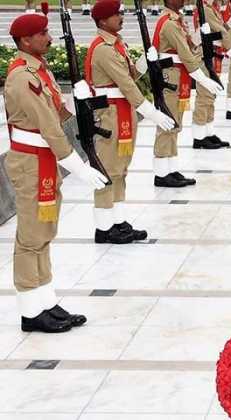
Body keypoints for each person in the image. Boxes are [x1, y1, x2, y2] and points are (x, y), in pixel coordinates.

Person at [5, 11, 107, 333]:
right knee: (31, 238)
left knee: (44, 234)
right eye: (42, 34)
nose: (49, 38)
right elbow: (48, 126)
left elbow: (57, 113)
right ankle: (30, 311)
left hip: (43, 161)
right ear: (25, 40)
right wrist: (78, 166)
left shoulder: (40, 71)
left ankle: (45, 300)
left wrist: (80, 101)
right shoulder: (23, 77)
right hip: (31, 162)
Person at [86, 0, 175, 243]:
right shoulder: (104, 48)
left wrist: (147, 60)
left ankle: (118, 221)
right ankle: (104, 229)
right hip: (111, 115)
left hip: (121, 112)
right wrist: (153, 112)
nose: (121, 17)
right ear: (103, 21)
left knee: (120, 171)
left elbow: (131, 75)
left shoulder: (116, 45)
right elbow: (126, 85)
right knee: (108, 171)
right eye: (116, 15)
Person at [152, 0, 224, 186]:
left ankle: (171, 169)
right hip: (170, 78)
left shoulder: (176, 21)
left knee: (174, 123)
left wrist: (200, 35)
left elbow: (188, 46)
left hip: (176, 76)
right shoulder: (168, 23)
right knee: (167, 124)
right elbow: (185, 55)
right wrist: (204, 80)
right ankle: (161, 173)